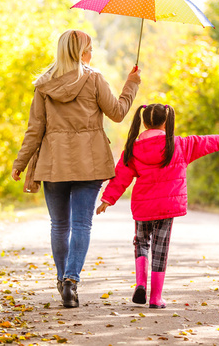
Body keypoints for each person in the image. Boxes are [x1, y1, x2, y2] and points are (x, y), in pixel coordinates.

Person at [12, 29, 141, 308]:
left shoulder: (44, 85)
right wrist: (131, 85)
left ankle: (62, 281)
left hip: (53, 161)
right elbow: (117, 113)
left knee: (59, 225)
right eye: (90, 49)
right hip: (90, 161)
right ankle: (71, 280)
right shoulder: (94, 79)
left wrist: (20, 163)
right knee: (82, 223)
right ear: (81, 52)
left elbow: (35, 130)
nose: (92, 54)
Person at [96, 103, 219, 308]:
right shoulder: (178, 145)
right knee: (160, 248)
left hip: (143, 207)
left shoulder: (133, 147)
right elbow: (201, 142)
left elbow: (122, 175)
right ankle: (156, 298)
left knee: (141, 242)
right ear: (165, 122)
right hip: (167, 205)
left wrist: (107, 199)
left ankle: (140, 284)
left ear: (145, 123)